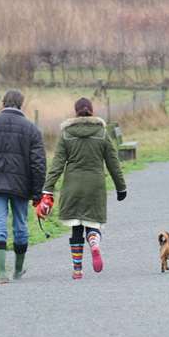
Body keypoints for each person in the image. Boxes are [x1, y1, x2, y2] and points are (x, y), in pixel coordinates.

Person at [39, 97, 126, 280]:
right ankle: (94, 241)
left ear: (75, 112)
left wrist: (48, 189)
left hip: (72, 186)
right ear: (92, 111)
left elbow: (57, 165)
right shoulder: (102, 133)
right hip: (95, 185)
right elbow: (113, 163)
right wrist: (121, 188)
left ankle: (77, 270)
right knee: (92, 223)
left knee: (76, 228)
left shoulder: (66, 134)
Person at [0, 89, 47, 283]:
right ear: (21, 104)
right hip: (21, 186)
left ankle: (1, 273)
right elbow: (38, 164)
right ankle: (18, 271)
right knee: (20, 225)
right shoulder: (31, 129)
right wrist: (37, 193)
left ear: (3, 103)